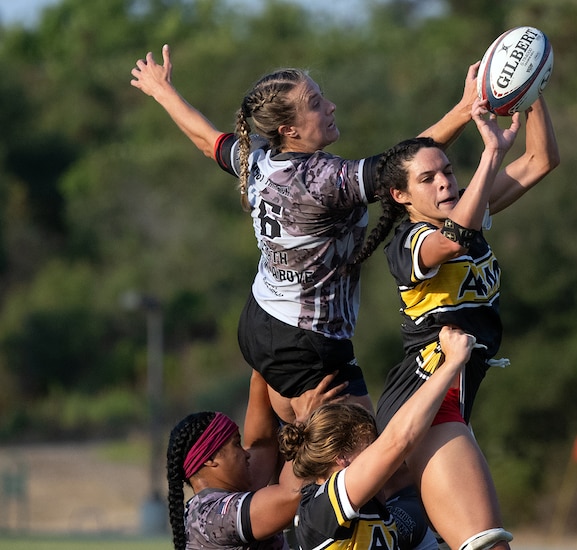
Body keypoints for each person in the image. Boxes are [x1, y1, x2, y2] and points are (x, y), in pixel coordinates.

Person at [130, 44, 479, 423]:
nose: (330, 106)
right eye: (315, 103)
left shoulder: (260, 158)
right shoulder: (319, 180)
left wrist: (162, 90)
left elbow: (206, 140)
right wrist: (465, 110)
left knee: (306, 452)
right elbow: (406, 166)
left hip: (261, 320)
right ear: (289, 129)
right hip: (307, 343)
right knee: (364, 467)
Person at [351, 85, 558, 550]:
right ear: (400, 195)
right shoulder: (409, 243)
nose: (444, 181)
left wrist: (532, 87)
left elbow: (541, 160)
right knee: (489, 545)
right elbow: (454, 242)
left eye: (447, 170)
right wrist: (491, 153)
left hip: (450, 401)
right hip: (427, 401)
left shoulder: (468, 208)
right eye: (428, 179)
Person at [279, 325, 477, 550]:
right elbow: (398, 442)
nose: (381, 458)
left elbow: (420, 502)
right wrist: (452, 363)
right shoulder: (320, 509)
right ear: (342, 458)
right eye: (371, 447)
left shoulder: (382, 513)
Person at [165, 370, 345, 550]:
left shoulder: (214, 502)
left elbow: (262, 445)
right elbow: (291, 496)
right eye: (236, 444)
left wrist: (261, 364)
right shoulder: (213, 516)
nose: (246, 453)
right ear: (211, 459)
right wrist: (304, 421)